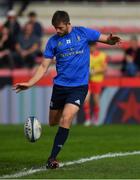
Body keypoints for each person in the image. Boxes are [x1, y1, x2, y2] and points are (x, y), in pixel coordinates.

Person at [13, 10, 121, 169]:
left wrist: (111, 40)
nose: (57, 30)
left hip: (79, 87)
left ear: (68, 24)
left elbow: (105, 39)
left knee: (66, 119)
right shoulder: (53, 42)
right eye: (55, 28)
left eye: (60, 28)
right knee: (53, 122)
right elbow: (44, 66)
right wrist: (30, 83)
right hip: (60, 87)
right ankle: (59, 114)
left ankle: (52, 158)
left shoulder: (82, 33)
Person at [83, 42, 108, 126]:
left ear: (95, 46)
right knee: (86, 99)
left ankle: (96, 119)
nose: (91, 47)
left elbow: (105, 69)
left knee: (96, 100)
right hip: (87, 81)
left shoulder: (102, 55)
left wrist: (94, 71)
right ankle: (87, 119)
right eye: (90, 46)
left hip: (97, 80)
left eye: (92, 46)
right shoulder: (86, 55)